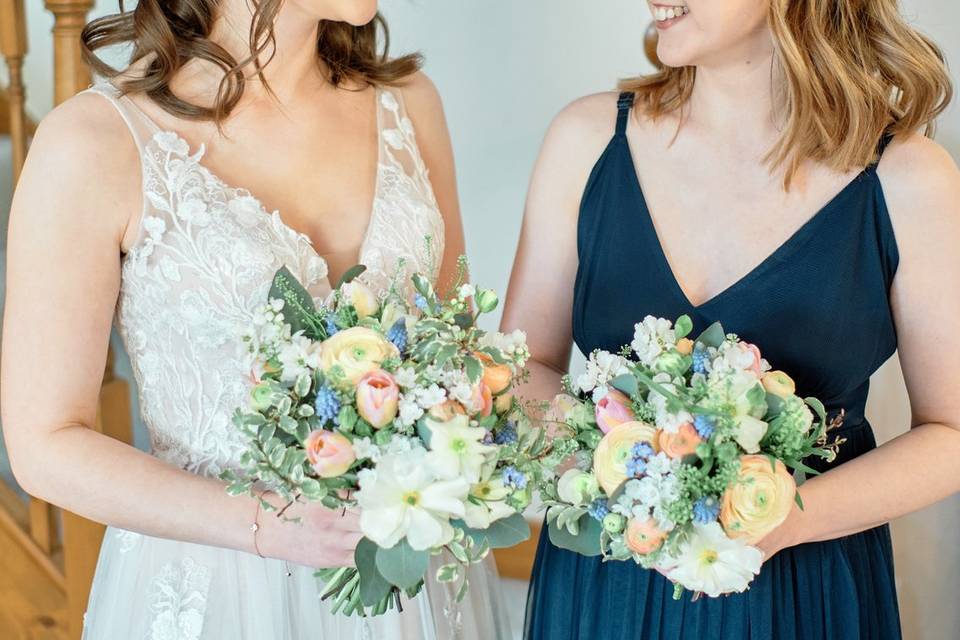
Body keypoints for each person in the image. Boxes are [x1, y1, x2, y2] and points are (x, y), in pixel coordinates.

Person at [1, 1, 510, 637]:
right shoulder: (94, 142)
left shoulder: (408, 101)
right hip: (218, 591)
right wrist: (265, 523)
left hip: (409, 580)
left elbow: (456, 354)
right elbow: (45, 445)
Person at [502, 1, 960, 638]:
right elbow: (521, 368)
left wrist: (784, 518)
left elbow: (952, 432)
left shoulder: (911, 181)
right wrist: (629, 472)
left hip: (800, 595)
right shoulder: (586, 140)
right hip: (606, 580)